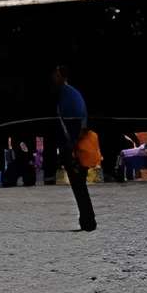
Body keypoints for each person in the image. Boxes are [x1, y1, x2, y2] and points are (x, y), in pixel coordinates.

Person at [51, 65, 97, 232]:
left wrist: (70, 148)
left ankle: (88, 221)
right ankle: (87, 219)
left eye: (56, 75)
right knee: (79, 185)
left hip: (74, 149)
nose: (53, 78)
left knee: (79, 185)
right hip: (75, 147)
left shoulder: (68, 96)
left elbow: (72, 126)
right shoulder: (71, 94)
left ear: (61, 76)